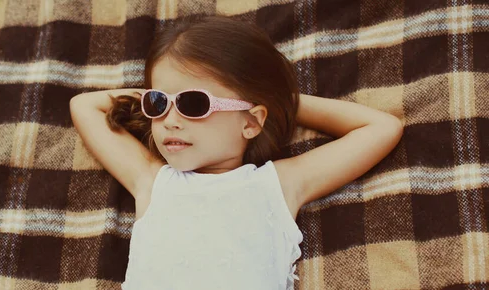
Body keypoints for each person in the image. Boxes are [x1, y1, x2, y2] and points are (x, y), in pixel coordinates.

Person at [70, 16, 403, 290]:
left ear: (251, 121)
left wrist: (280, 101)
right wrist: (168, 93)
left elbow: (381, 128)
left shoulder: (279, 185)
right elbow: (84, 106)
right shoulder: (152, 180)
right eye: (158, 103)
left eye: (193, 103)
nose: (170, 121)